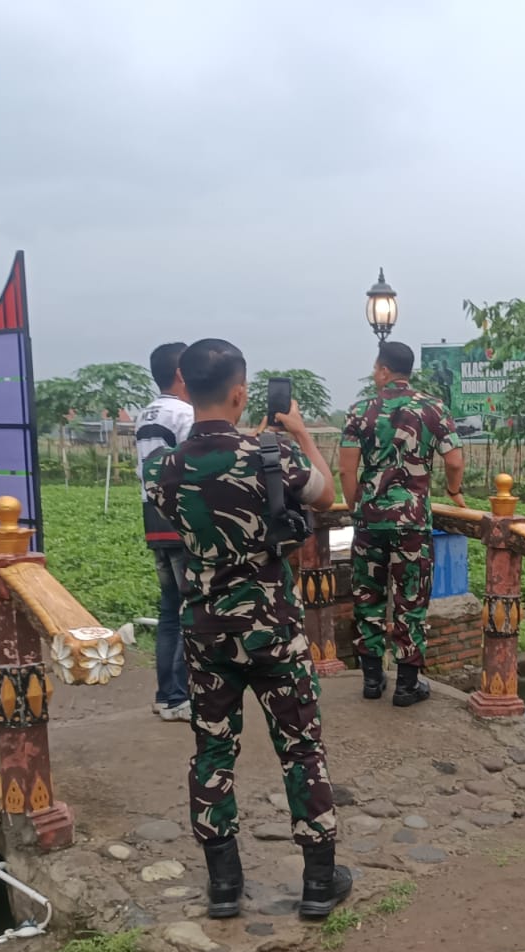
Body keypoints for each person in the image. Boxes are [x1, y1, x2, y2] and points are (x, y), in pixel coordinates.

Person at [142, 338, 351, 921]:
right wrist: (300, 433)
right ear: (240, 393)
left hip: (206, 631)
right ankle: (317, 883)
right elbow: (328, 495)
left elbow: (175, 512)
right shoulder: (271, 454)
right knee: (301, 749)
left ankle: (224, 886)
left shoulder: (167, 466)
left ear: (186, 385)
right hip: (273, 631)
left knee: (212, 751)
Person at [339, 340, 467, 706]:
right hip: (412, 522)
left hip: (369, 521)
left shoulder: (360, 410)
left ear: (382, 369)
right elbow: (455, 461)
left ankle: (371, 679)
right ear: (407, 370)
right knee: (411, 600)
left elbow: (347, 468)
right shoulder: (433, 408)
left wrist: (358, 507)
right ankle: (407, 685)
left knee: (368, 597)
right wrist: (454, 490)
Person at [135, 342, 194, 722]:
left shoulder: (146, 413)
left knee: (170, 609)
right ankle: (180, 696)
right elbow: (196, 465)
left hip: (152, 517)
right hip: (180, 518)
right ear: (180, 373)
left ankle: (164, 694)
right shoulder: (185, 414)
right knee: (192, 609)